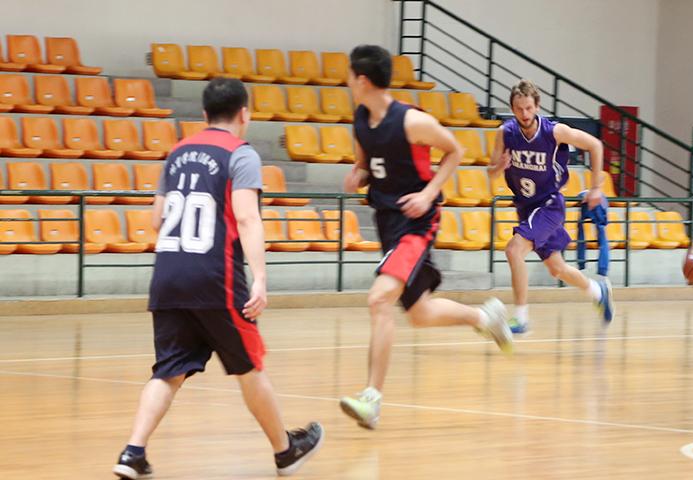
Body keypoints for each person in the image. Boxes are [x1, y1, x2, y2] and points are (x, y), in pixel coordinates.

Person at [112, 78, 322, 479]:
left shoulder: (176, 153)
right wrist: (259, 278)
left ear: (205, 115)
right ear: (245, 114)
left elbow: (156, 219)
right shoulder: (240, 154)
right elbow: (246, 217)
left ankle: (132, 452)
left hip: (168, 274)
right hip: (216, 278)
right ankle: (285, 451)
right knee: (249, 366)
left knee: (168, 371)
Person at [339, 45, 513, 430]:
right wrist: (358, 176)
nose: (347, 80)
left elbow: (455, 150)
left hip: (417, 222)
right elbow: (366, 167)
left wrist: (429, 193)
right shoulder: (361, 120)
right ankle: (486, 317)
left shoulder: (411, 121)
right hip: (388, 222)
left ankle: (371, 398)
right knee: (419, 313)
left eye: (350, 75)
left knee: (379, 298)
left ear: (363, 79)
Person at [487, 79, 614, 335]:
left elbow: (595, 145)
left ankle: (521, 318)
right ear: (512, 108)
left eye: (529, 108)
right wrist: (499, 167)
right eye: (519, 109)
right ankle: (597, 291)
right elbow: (490, 173)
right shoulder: (505, 133)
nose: (524, 114)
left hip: (549, 205)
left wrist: (596, 188)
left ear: (537, 106)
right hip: (526, 207)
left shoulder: (554, 132)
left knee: (514, 251)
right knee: (557, 268)